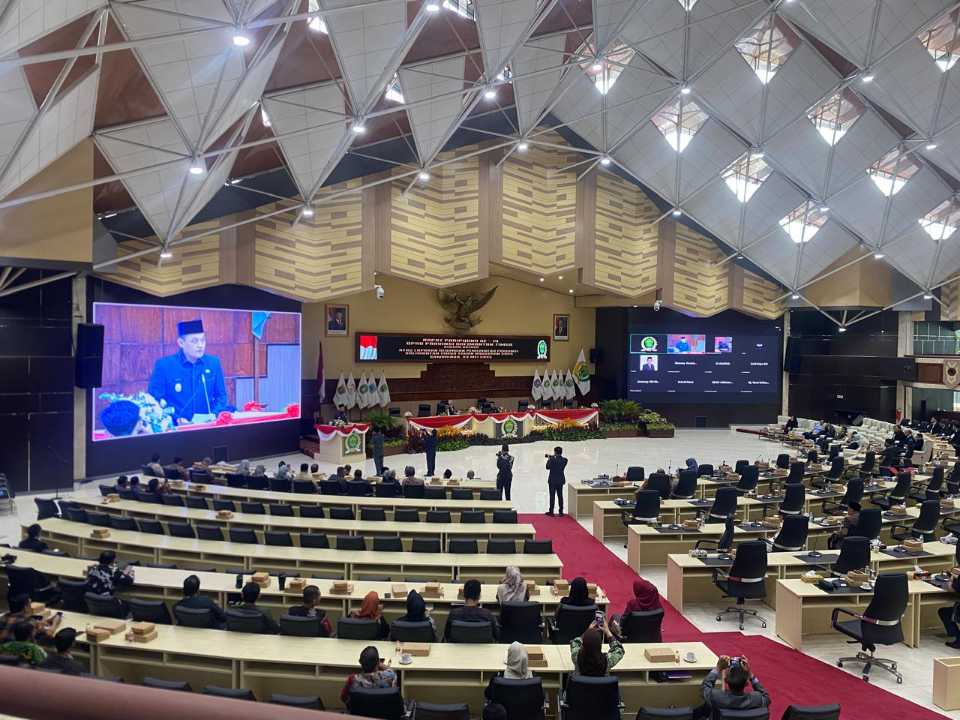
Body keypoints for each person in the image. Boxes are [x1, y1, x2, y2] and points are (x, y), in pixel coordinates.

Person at [147, 319, 228, 424]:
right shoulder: (164, 366)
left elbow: (221, 397)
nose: (200, 345)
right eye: (194, 341)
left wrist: (214, 415)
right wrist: (176, 419)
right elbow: (154, 400)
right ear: (181, 343)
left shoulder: (213, 363)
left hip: (207, 425)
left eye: (203, 340)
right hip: (176, 427)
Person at [699, 655, 771, 719]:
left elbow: (704, 688)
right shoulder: (757, 699)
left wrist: (718, 668)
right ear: (747, 683)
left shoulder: (716, 697)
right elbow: (766, 696)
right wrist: (750, 674)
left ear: (725, 680)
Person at [86, 551, 134, 616]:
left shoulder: (92, 569)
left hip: (93, 603)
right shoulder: (114, 572)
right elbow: (129, 580)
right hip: (108, 603)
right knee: (128, 603)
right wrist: (127, 572)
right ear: (113, 561)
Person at [545, 446, 568, 516]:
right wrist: (552, 457)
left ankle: (551, 512)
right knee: (560, 496)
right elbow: (559, 460)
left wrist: (549, 459)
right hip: (560, 480)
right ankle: (561, 512)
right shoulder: (565, 460)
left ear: (555, 452)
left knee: (552, 496)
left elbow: (547, 467)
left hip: (552, 480)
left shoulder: (552, 459)